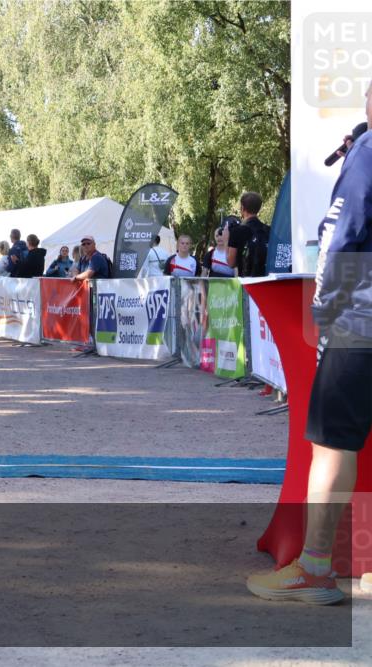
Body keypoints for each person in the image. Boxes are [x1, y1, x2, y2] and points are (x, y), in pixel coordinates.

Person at [246, 82, 372, 605]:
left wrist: (322, 313)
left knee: (330, 442)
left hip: (360, 320)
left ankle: (315, 568)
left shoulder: (366, 153)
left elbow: (341, 236)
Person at [235, 192, 270, 277]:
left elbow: (231, 262)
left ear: (242, 208)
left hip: (246, 282)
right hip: (265, 280)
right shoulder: (268, 230)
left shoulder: (237, 231)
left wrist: (226, 241)